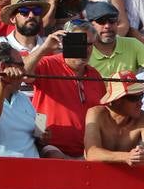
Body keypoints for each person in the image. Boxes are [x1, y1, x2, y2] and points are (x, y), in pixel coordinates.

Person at [24, 24, 106, 158]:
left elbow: (102, 112)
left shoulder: (94, 74)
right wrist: (44, 48)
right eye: (80, 43)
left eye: (90, 44)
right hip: (49, 146)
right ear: (67, 43)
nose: (85, 49)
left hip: (86, 151)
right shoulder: (47, 63)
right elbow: (23, 74)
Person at [82, 74, 144, 166]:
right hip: (96, 173)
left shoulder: (143, 117)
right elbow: (92, 153)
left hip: (128, 176)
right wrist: (126, 157)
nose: (140, 103)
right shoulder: (96, 114)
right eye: (134, 98)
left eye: (141, 96)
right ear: (117, 100)